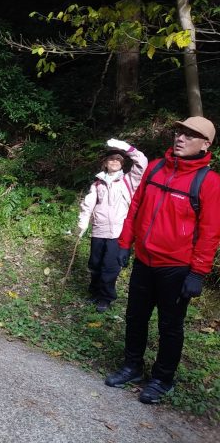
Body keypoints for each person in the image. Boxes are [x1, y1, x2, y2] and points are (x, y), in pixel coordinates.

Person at [105, 116, 220, 404]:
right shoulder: (156, 167)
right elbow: (136, 206)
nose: (180, 138)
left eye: (190, 135)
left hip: (176, 269)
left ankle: (162, 379)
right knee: (135, 316)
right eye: (179, 132)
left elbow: (210, 233)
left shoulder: (209, 183)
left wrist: (198, 273)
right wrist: (124, 244)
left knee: (170, 326)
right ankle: (132, 367)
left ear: (205, 144)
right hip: (145, 260)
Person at [77, 139, 148, 312]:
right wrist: (82, 223)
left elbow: (142, 163)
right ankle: (94, 292)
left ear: (123, 164)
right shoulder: (97, 183)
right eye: (111, 159)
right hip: (99, 230)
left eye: (118, 159)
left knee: (110, 266)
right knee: (95, 264)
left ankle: (105, 297)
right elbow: (89, 205)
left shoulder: (129, 180)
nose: (114, 161)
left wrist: (127, 148)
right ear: (105, 163)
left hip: (118, 233)